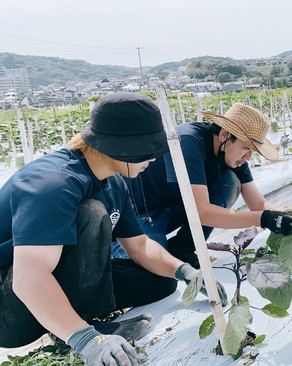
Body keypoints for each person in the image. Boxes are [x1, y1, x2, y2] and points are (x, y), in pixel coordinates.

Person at [0, 92, 227, 366]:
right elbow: (28, 278)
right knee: (92, 213)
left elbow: (140, 246)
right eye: (149, 151)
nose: (154, 160)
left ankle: (77, 320)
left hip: (52, 279)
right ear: (121, 147)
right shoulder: (53, 184)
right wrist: (86, 340)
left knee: (161, 282)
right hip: (10, 309)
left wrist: (187, 272)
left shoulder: (114, 182)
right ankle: (76, 330)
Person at [111, 102, 292, 266]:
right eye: (245, 148)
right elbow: (201, 212)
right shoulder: (187, 141)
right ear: (225, 135)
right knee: (152, 272)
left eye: (252, 150)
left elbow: (259, 205)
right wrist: (263, 219)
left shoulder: (232, 155)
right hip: (140, 216)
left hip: (172, 208)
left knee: (229, 182)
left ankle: (183, 248)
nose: (248, 157)